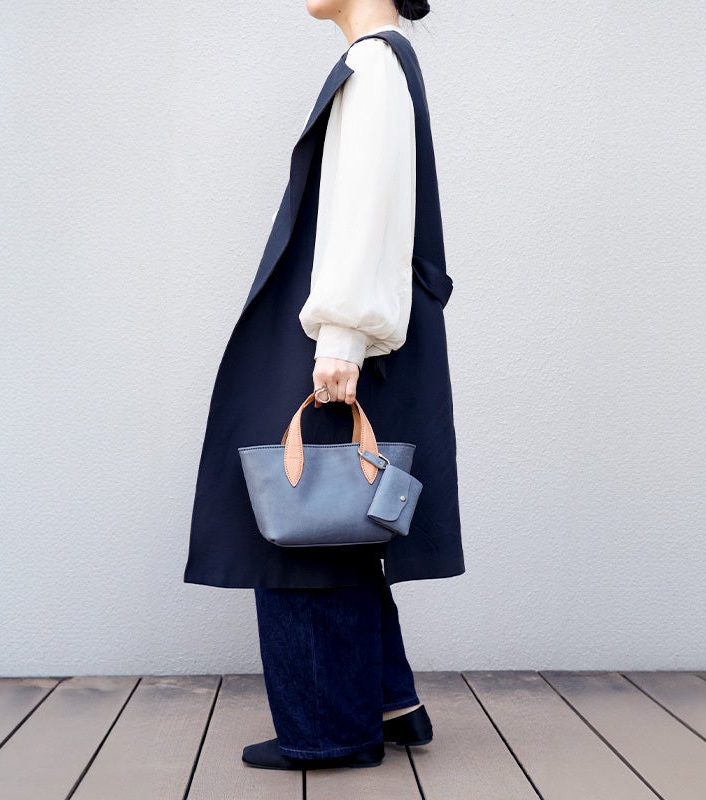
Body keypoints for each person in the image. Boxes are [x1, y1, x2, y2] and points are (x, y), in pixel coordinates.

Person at [182, 0, 464, 770]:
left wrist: (340, 337)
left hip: (339, 339)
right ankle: (387, 699)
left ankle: (329, 730)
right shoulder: (385, 63)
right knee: (341, 517)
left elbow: (364, 212)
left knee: (304, 528)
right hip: (353, 333)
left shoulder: (373, 64)